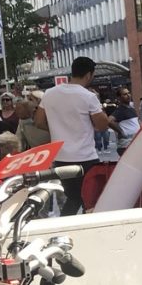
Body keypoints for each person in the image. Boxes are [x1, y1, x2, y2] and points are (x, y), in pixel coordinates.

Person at [34, 56, 109, 215]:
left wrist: (56, 129)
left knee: (73, 197)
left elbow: (39, 121)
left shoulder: (49, 93)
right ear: (89, 75)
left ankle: (66, 226)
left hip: (61, 157)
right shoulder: (88, 96)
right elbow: (103, 125)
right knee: (89, 198)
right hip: (86, 157)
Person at [109, 88, 140, 155]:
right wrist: (121, 131)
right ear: (119, 97)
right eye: (125, 94)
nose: (128, 95)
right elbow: (109, 121)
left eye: (128, 93)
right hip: (126, 145)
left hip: (134, 144)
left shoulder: (131, 108)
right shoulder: (120, 110)